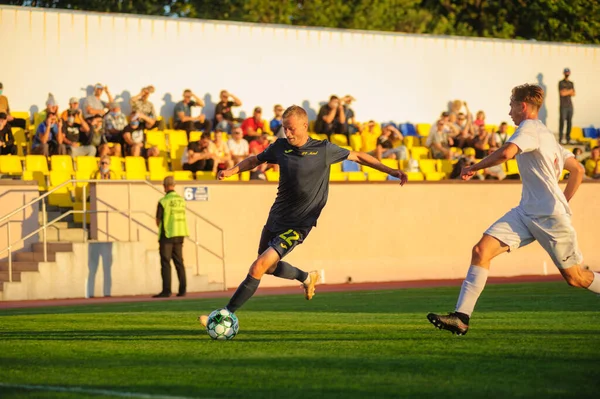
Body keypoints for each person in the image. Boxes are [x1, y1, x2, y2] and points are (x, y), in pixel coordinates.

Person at [198, 105, 407, 327]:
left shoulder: (323, 149)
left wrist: (391, 171)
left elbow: (359, 157)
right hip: (276, 217)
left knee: (258, 266)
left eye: (291, 129)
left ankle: (225, 314)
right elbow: (254, 160)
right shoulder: (280, 147)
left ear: (305, 126)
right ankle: (307, 277)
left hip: (299, 224)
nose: (287, 134)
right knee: (267, 267)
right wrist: (231, 171)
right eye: (284, 129)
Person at [427, 83, 600, 336]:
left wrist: (474, 168)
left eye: (511, 106)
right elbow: (578, 170)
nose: (509, 112)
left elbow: (507, 153)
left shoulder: (528, 129)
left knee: (576, 278)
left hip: (551, 219)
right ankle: (461, 317)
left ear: (522, 106)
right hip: (526, 213)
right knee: (481, 250)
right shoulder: (546, 135)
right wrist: (563, 200)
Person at [154, 176, 188, 298]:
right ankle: (183, 290)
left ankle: (166, 290)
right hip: (180, 233)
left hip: (167, 234)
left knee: (166, 263)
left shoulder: (163, 201)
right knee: (179, 262)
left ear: (164, 186)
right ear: (174, 185)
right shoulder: (181, 200)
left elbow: (158, 220)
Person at [558, 68, 575, 145]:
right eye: (566, 72)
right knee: (562, 122)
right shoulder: (561, 83)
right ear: (564, 73)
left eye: (568, 72)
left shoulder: (571, 83)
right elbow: (562, 93)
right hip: (563, 106)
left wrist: (567, 91)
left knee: (569, 122)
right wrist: (569, 91)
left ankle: (568, 138)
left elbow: (574, 93)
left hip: (570, 106)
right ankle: (561, 138)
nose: (567, 73)